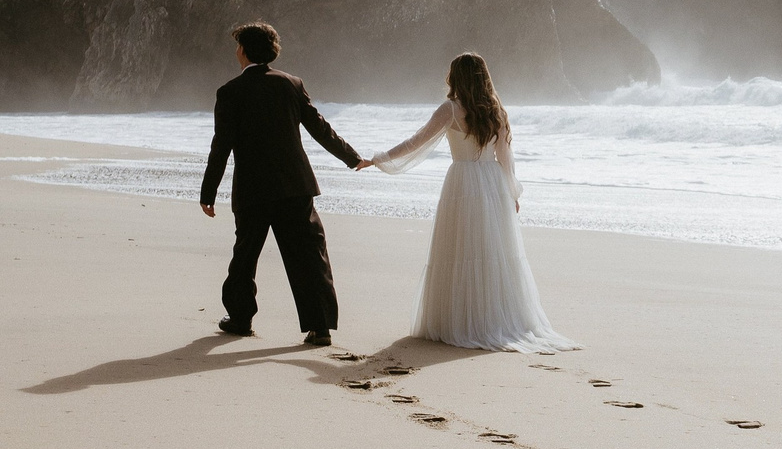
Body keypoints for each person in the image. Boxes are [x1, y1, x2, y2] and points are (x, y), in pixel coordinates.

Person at [365, 52, 576, 352]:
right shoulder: (497, 112)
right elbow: (505, 159)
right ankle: (490, 320)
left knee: (461, 252)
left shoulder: (450, 109)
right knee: (491, 254)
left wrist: (379, 160)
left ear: (456, 77)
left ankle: (463, 321)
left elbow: (417, 141)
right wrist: (512, 193)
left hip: (462, 183)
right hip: (493, 184)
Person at [201, 21, 365, 347]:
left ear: (245, 51)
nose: (236, 51)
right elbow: (321, 129)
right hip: (295, 186)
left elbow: (221, 146)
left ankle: (240, 319)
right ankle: (320, 328)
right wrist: (351, 157)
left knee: (245, 256)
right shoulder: (291, 84)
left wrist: (208, 193)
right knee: (308, 255)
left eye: (238, 46)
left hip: (252, 189)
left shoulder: (230, 92)